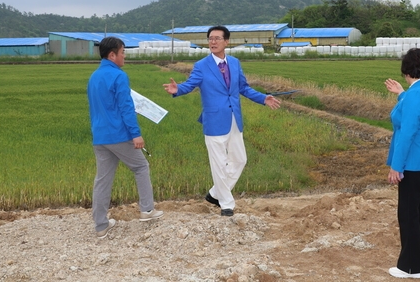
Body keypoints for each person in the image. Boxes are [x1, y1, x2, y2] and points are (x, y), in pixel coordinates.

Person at [163, 25, 281, 217]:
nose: (213, 42)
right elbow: (190, 84)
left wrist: (263, 98)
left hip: (234, 118)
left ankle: (214, 194)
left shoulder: (234, 63)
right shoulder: (201, 66)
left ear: (226, 41)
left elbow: (244, 87)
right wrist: (179, 90)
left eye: (217, 38)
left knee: (240, 160)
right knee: (218, 164)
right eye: (210, 38)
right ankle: (226, 204)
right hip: (214, 120)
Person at [87, 37, 163, 239]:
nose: (124, 56)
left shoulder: (94, 77)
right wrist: (136, 134)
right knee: (141, 167)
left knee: (102, 179)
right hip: (119, 134)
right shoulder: (119, 76)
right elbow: (126, 108)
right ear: (112, 55)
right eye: (123, 52)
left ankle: (101, 225)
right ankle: (147, 210)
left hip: (100, 136)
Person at [384, 48, 420, 279]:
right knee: (418, 213)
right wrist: (400, 93)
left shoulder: (415, 95)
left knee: (408, 214)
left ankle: (411, 267)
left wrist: (396, 166)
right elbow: (412, 107)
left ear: (406, 70)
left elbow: (407, 132)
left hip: (413, 164)